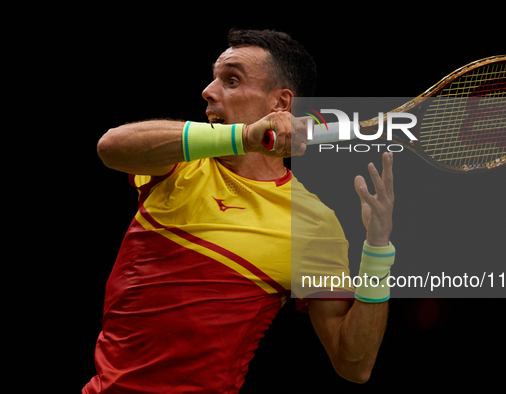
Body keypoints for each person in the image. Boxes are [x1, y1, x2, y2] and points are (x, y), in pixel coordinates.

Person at [84, 28, 396, 393]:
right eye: (214, 78)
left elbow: (353, 363)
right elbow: (111, 147)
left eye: (231, 80)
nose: (209, 91)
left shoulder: (314, 224)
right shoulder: (181, 164)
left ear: (281, 103)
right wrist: (246, 136)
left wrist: (377, 252)